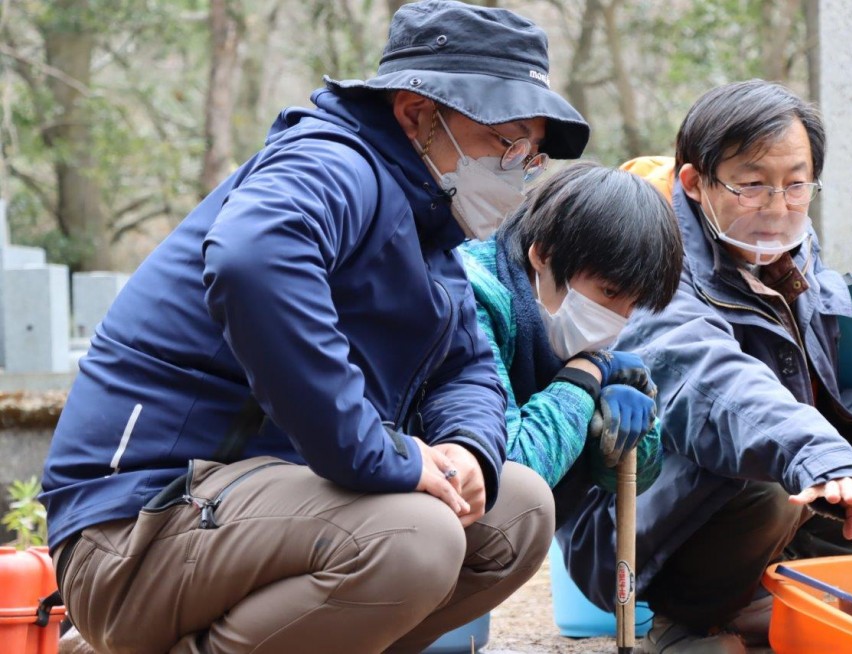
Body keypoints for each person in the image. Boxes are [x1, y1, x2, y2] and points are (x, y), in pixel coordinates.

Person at [40, 2, 590, 653]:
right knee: (415, 538)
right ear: (417, 113)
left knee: (517, 510)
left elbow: (466, 366)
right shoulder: (332, 167)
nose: (521, 169)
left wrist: (468, 448)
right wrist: (379, 453)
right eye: (506, 142)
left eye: (532, 153)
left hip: (254, 515)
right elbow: (251, 259)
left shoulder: (432, 235)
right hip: (138, 527)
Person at [557, 79, 852, 654]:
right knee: (763, 472)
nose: (776, 207)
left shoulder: (789, 242)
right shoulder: (649, 254)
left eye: (796, 184)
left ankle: (786, 593)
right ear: (695, 183)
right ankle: (690, 622)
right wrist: (810, 449)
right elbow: (707, 379)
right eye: (751, 186)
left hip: (764, 454)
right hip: (641, 507)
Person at [460, 162, 684, 527]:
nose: (618, 320)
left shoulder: (561, 311)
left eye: (633, 305)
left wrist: (634, 434)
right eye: (609, 292)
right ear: (544, 254)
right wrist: (583, 379)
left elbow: (629, 480)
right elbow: (514, 470)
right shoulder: (472, 297)